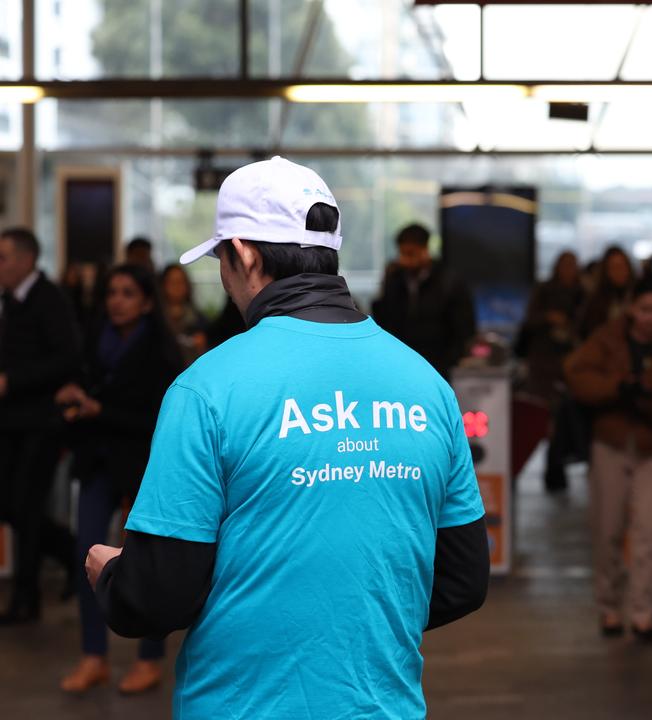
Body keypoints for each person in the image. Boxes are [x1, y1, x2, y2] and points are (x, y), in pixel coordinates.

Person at [84, 157, 490, 718]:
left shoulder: (206, 389)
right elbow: (464, 580)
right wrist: (355, 615)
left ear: (245, 253)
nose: (225, 280)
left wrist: (112, 578)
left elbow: (155, 598)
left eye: (222, 259)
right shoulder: (427, 386)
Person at [56, 264, 184, 695]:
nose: (117, 300)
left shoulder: (161, 352)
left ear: (147, 301)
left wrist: (99, 410)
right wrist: (75, 401)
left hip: (144, 468)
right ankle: (94, 657)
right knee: (85, 555)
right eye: (112, 292)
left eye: (128, 293)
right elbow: (87, 389)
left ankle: (149, 660)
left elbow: (156, 419)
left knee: (144, 563)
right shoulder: (97, 339)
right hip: (98, 462)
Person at [564, 274, 652, 640]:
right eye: (644, 309)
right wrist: (616, 388)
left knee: (649, 533)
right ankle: (609, 606)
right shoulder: (607, 338)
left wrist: (650, 402)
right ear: (631, 307)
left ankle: (643, 612)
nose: (650, 318)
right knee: (607, 529)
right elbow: (576, 375)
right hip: (611, 446)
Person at [0, 227, 81, 625]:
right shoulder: (10, 301)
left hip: (42, 424)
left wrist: (11, 381)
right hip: (13, 423)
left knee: (27, 508)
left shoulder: (49, 299)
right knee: (11, 505)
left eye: (3, 258)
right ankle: (71, 553)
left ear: (27, 259)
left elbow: (67, 359)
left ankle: (26, 599)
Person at [516, 251, 586, 492]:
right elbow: (528, 320)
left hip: (570, 364)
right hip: (544, 362)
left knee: (563, 417)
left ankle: (557, 464)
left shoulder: (582, 293)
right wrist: (548, 318)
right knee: (541, 416)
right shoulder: (545, 291)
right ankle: (552, 466)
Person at [372, 223, 477, 378]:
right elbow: (384, 320)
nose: (404, 260)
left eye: (410, 253)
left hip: (438, 367)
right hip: (402, 364)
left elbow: (464, 326)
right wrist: (387, 284)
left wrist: (451, 360)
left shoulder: (448, 281)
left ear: (425, 250)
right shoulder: (395, 279)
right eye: (401, 253)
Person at [159, 263, 210, 366]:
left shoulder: (198, 319)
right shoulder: (157, 320)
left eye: (181, 282)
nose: (177, 286)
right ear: (162, 285)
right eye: (172, 282)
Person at [579, 246, 634, 339]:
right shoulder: (596, 301)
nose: (619, 271)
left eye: (621, 266)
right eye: (613, 267)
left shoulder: (638, 295)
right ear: (606, 271)